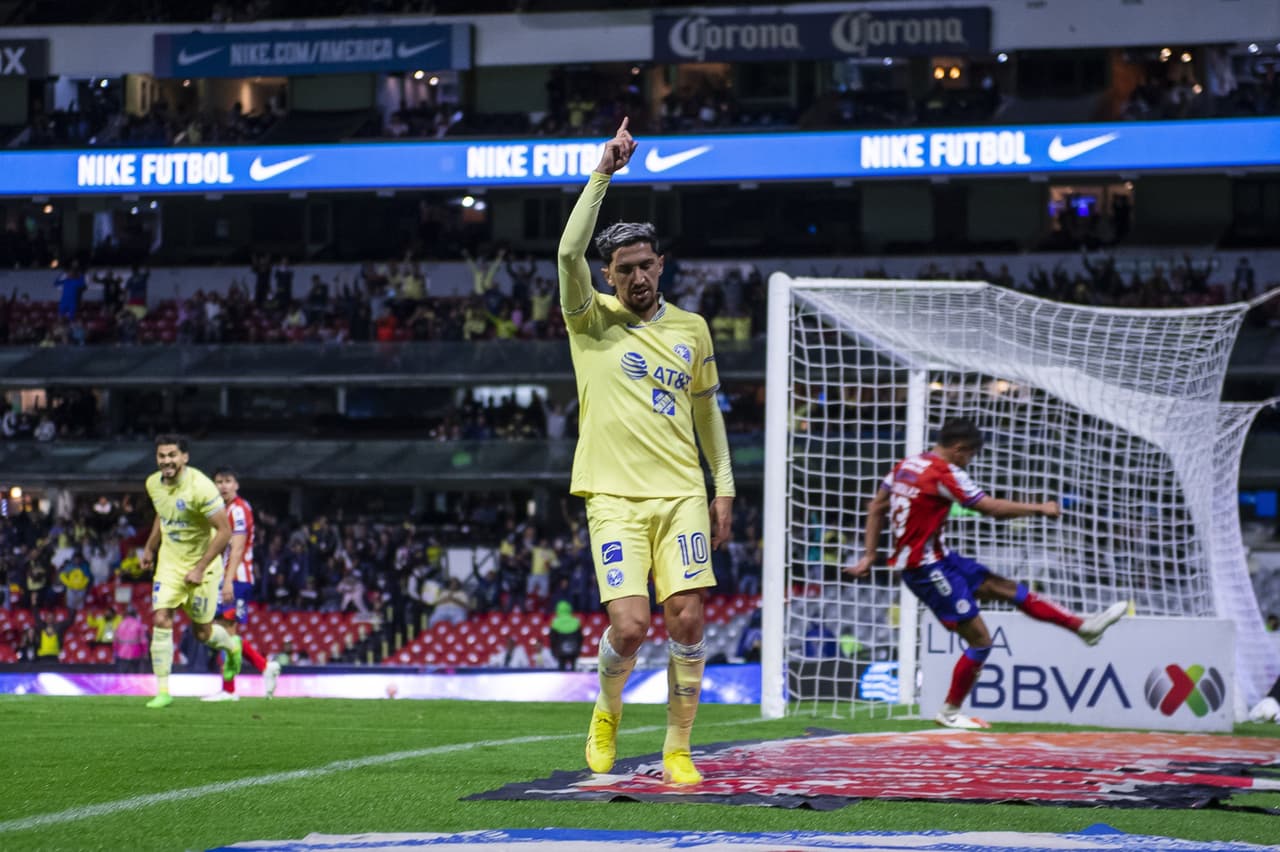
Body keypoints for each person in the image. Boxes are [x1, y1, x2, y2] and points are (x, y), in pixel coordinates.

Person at [558, 118, 735, 785]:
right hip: (612, 496)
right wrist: (603, 171)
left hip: (683, 494)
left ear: (660, 265)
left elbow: (705, 412)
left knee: (687, 616)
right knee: (630, 627)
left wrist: (723, 487)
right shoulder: (590, 319)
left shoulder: (692, 328)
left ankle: (677, 748)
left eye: (644, 265)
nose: (635, 276)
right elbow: (565, 253)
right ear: (607, 275)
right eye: (623, 268)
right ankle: (606, 712)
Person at [845, 418, 1127, 729]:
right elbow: (988, 508)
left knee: (1004, 588)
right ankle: (950, 712)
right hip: (925, 569)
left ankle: (1082, 627)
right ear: (959, 449)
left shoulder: (906, 465)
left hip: (941, 559)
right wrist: (1038, 509)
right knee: (981, 641)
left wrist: (869, 555)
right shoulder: (945, 473)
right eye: (970, 456)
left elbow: (876, 507)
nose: (969, 462)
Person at [140, 434, 242, 709]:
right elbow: (163, 514)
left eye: (172, 455)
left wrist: (199, 568)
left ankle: (232, 647)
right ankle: (163, 691)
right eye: (162, 456)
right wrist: (149, 548)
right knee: (161, 618)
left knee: (202, 633)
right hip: (170, 564)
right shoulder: (153, 483)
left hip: (204, 566)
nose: (166, 461)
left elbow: (225, 532)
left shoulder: (201, 487)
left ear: (184, 457)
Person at [203, 468, 280, 702]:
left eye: (228, 481)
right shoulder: (220, 510)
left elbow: (237, 548)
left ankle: (229, 689)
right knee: (222, 633)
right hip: (224, 578)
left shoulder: (238, 509)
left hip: (236, 578)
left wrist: (227, 581)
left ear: (236, 485)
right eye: (219, 482)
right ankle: (264, 666)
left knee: (226, 633)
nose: (223, 486)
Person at [547, 599, 583, 672]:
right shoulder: (576, 621)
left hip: (560, 651)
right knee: (573, 668)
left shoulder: (555, 622)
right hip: (574, 650)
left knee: (561, 667)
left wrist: (554, 650)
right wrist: (578, 649)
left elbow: (552, 638)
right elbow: (580, 638)